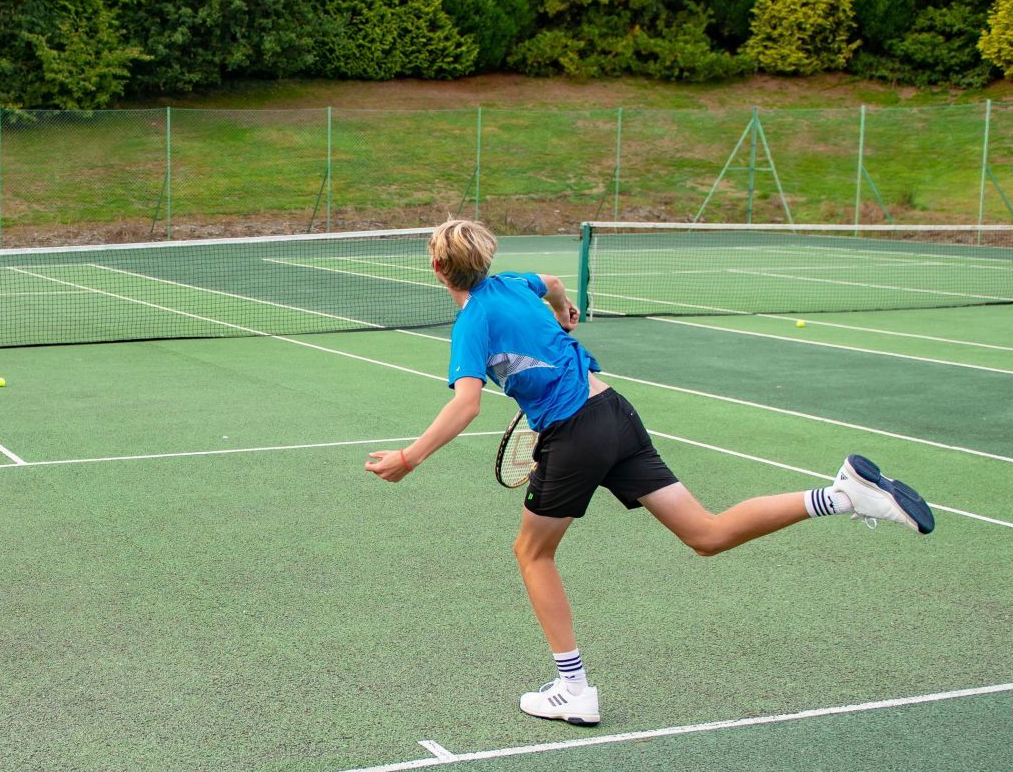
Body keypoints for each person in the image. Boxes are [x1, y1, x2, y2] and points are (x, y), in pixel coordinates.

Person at [364, 219, 932, 727]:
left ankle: (573, 688)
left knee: (532, 553)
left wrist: (408, 459)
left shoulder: (470, 324)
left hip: (575, 434)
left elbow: (466, 403)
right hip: (615, 412)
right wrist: (563, 315)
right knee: (706, 534)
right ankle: (843, 496)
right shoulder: (514, 283)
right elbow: (554, 282)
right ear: (485, 259)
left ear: (438, 268)